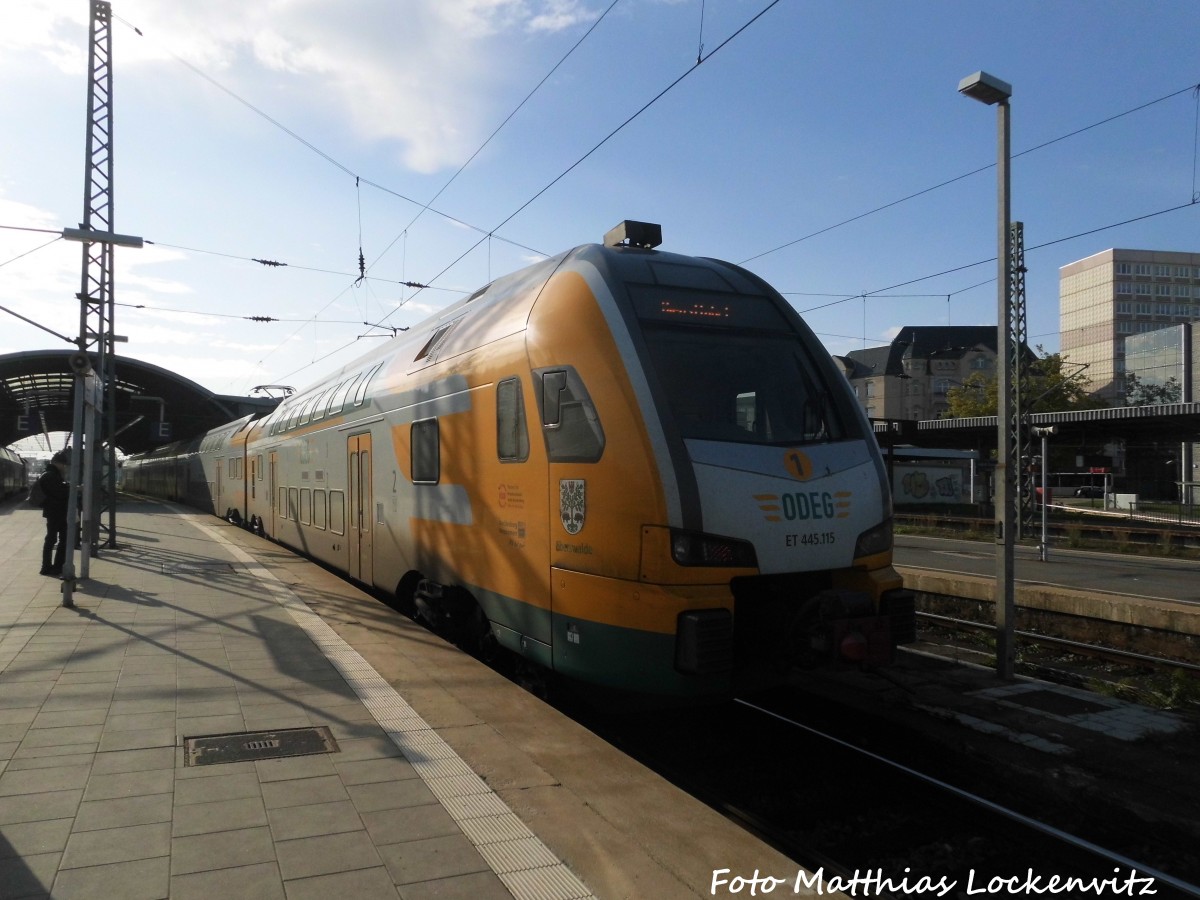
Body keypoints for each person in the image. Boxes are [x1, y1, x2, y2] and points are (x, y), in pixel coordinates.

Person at [39, 450, 71, 577]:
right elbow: (59, 493)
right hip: (56, 512)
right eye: (64, 464)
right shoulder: (50, 476)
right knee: (54, 539)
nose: (65, 467)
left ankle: (54, 566)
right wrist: (69, 489)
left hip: (55, 512)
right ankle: (48, 567)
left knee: (56, 539)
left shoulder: (51, 474)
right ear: (58, 463)